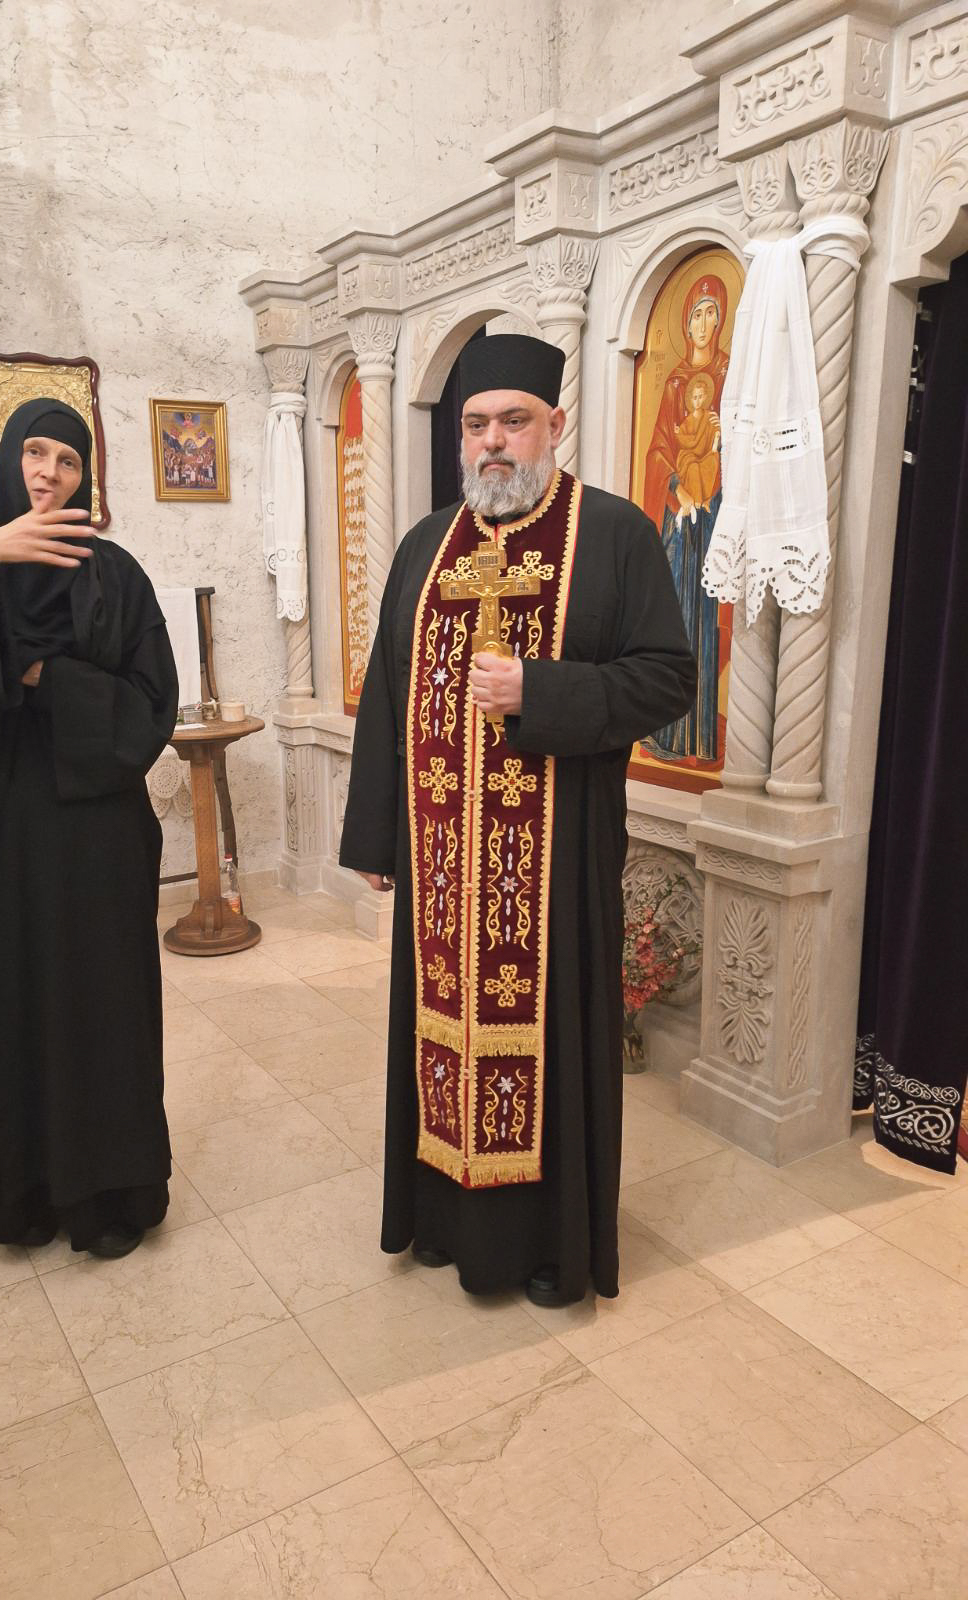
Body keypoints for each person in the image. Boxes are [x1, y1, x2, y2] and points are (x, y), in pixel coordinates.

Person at [339, 334, 695, 1306]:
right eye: (475, 424)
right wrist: (376, 834)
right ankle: (444, 1222)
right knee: (438, 1035)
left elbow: (668, 677)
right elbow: (387, 692)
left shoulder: (613, 534)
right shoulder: (427, 545)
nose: (492, 441)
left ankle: (546, 1248)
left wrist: (539, 692)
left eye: (513, 421)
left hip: (558, 860)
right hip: (442, 866)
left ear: (554, 425)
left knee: (551, 1047)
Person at [0, 398, 178, 1259]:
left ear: (87, 479)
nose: (49, 472)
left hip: (93, 829)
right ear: (9, 456)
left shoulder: (114, 574)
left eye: (69, 460)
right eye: (35, 452)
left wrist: (47, 676)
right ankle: (9, 1196)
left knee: (99, 1004)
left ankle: (107, 1196)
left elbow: (152, 703)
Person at [641, 274, 729, 762]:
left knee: (706, 619)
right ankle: (667, 733)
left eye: (712, 312)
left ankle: (699, 737)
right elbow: (657, 449)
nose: (703, 322)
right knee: (673, 616)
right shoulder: (675, 382)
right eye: (696, 312)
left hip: (715, 515)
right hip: (679, 515)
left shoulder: (730, 372)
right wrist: (677, 488)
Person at [672, 373, 720, 520]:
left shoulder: (709, 417)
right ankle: (697, 503)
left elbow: (714, 435)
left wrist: (717, 436)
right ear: (690, 399)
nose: (697, 401)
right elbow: (684, 440)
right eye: (694, 397)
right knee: (693, 467)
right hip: (689, 456)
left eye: (700, 397)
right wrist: (679, 434)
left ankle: (706, 501)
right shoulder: (688, 420)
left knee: (712, 461)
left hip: (705, 455)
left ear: (705, 397)